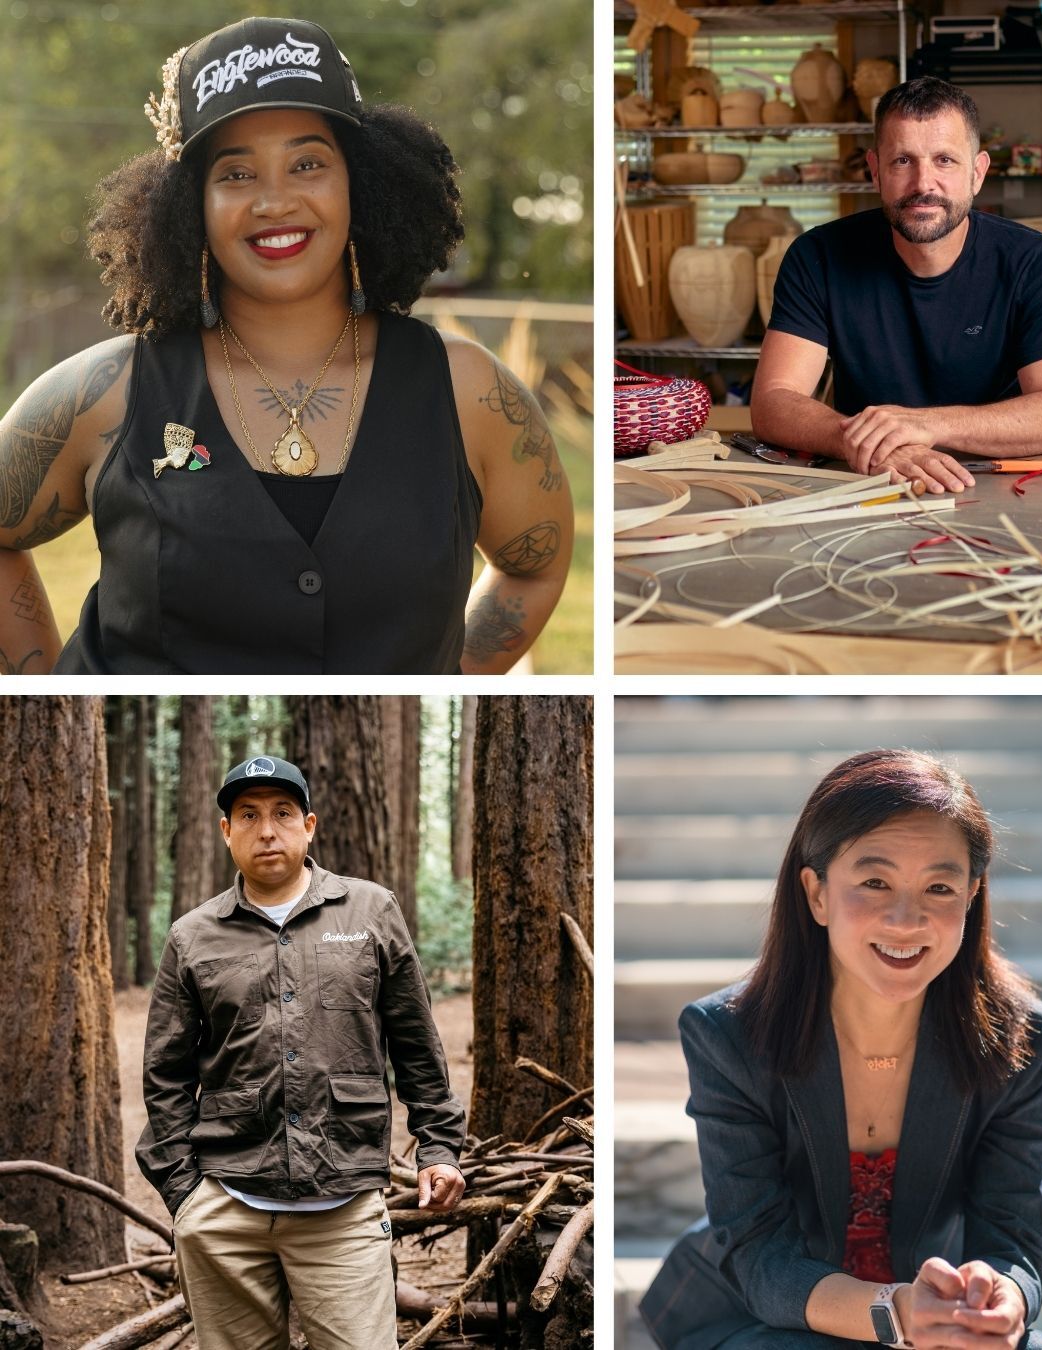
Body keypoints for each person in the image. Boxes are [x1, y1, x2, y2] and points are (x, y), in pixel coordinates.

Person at [0, 16, 573, 674]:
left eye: (307, 164)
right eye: (236, 175)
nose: (274, 201)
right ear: (191, 207)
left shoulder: (468, 391)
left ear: (362, 186)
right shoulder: (106, 394)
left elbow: (537, 567)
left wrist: (449, 680)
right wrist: (40, 699)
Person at [639, 750, 1042, 1350]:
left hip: (933, 1312)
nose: (905, 918)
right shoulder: (727, 1034)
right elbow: (762, 1254)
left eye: (939, 887)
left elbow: (1015, 1232)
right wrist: (894, 1313)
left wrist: (998, 1299)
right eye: (874, 882)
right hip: (765, 1315)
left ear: (971, 897)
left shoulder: (1026, 1038)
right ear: (815, 893)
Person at [137, 754, 467, 1350]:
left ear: (309, 826)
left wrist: (439, 1149)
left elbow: (417, 1043)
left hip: (342, 1207)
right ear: (226, 832)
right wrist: (185, 1194)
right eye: (249, 815)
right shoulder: (193, 935)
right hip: (226, 1206)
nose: (267, 830)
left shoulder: (371, 912)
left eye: (283, 813)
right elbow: (166, 1073)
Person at [752, 77, 1042, 496]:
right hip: (876, 479)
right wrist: (869, 443)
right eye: (902, 161)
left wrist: (925, 425)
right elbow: (773, 402)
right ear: (875, 171)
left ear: (978, 173)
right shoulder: (816, 255)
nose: (923, 184)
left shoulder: (1036, 262)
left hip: (1002, 485)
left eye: (945, 160)